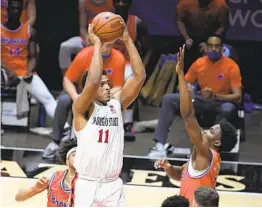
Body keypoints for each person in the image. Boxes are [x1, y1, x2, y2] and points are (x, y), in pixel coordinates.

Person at [71, 21, 145, 206]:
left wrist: (127, 40)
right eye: (102, 84)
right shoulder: (82, 107)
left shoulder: (116, 105)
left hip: (113, 184)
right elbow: (93, 80)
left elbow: (139, 76)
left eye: (108, 83)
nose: (107, 87)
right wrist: (97, 44)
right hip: (88, 184)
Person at [154, 45, 237, 206]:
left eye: (212, 131)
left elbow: (188, 115)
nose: (207, 130)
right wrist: (168, 167)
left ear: (217, 142)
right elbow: (181, 174)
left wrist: (180, 74)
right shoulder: (204, 158)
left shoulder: (206, 152)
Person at [148, 35, 241, 157]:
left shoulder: (231, 66)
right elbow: (182, 84)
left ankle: (211, 148)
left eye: (217, 46)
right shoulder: (199, 63)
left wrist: (216, 96)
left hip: (222, 101)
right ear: (206, 48)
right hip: (201, 99)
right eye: (210, 46)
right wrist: (188, 89)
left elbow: (238, 96)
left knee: (228, 109)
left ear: (222, 49)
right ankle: (160, 145)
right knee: (169, 99)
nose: (213, 49)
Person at [43, 41, 126, 159]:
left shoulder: (119, 58)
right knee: (63, 101)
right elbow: (67, 80)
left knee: (117, 104)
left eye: (109, 45)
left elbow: (118, 86)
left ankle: (108, 147)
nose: (106, 49)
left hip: (104, 94)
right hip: (80, 92)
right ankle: (55, 141)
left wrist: (99, 96)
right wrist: (76, 98)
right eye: (103, 45)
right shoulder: (84, 55)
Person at [1, 0, 57, 120]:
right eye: (13, 8)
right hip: (4, 72)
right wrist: (8, 71)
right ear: (7, 9)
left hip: (24, 73)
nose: (15, 11)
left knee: (47, 97)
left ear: (22, 11)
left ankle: (65, 129)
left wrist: (29, 71)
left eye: (18, 9)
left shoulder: (29, 31)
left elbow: (32, 57)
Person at [15, 138, 77, 207]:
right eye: (74, 155)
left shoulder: (89, 183)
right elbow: (18, 197)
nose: (78, 157)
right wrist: (35, 189)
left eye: (81, 155)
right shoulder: (52, 178)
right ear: (67, 161)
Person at [59, 0, 114, 74]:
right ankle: (68, 80)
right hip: (88, 38)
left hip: (106, 40)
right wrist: (87, 38)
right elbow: (82, 29)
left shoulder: (112, 2)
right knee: (65, 47)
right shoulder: (83, 2)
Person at [176, 0, 230, 71]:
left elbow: (222, 26)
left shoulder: (221, 5)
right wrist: (186, 38)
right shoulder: (185, 2)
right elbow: (180, 20)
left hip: (212, 36)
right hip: (190, 37)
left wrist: (209, 42)